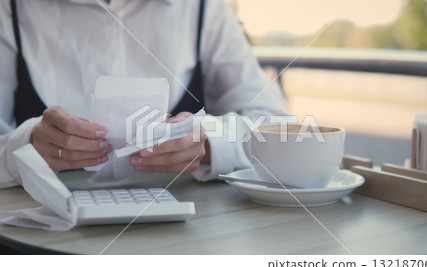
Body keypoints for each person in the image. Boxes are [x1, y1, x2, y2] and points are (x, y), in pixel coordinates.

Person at [0, 0, 289, 188]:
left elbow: (279, 127)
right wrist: (25, 148)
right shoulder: (10, 10)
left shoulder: (203, 8)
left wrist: (210, 140)